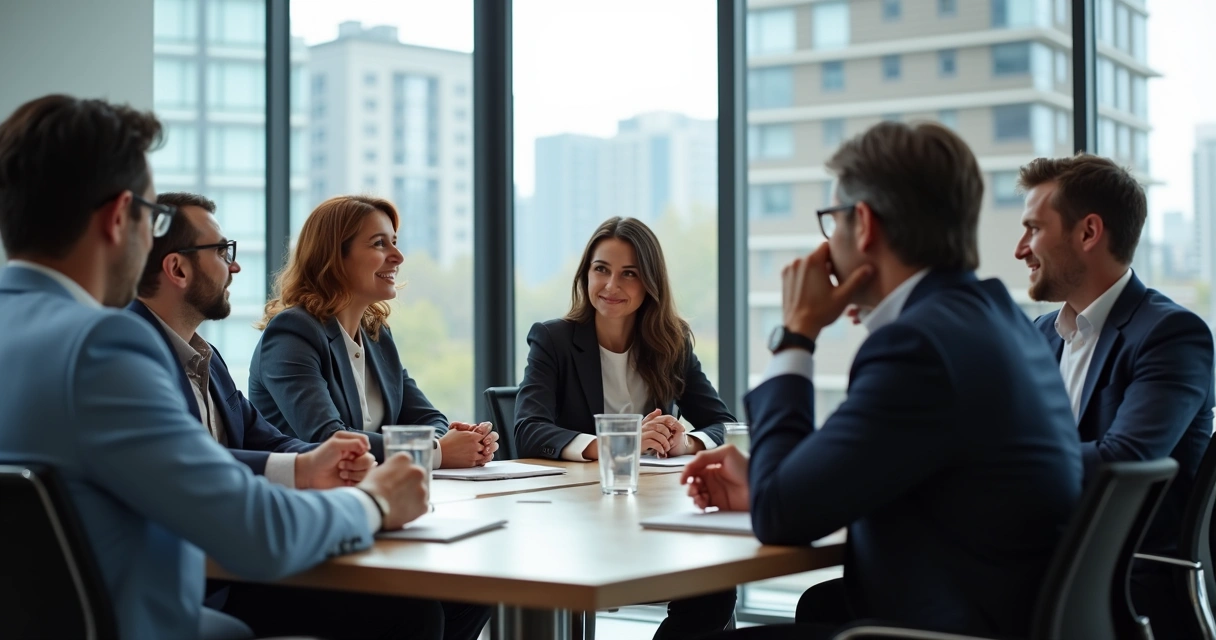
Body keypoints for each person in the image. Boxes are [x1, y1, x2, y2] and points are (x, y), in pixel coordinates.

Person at [0, 95, 432, 640]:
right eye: (151, 217)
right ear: (118, 218)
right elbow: (257, 533)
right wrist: (374, 501)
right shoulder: (103, 345)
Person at [685, 121, 1083, 640]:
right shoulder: (996, 317)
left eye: (833, 221)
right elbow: (877, 469)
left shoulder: (919, 348)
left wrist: (796, 335)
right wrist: (767, 477)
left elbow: (783, 516)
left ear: (864, 224)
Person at [1014, 154, 1215, 639]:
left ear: (1088, 233)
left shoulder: (1171, 334)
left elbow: (1124, 462)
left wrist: (998, 470)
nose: (1021, 249)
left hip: (1126, 593)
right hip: (1043, 570)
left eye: (1034, 229)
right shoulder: (1039, 335)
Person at [515, 216, 737, 639]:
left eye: (629, 274)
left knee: (715, 589)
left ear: (650, 282)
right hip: (569, 522)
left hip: (652, 515)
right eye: (601, 269)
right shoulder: (553, 339)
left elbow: (724, 424)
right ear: (586, 275)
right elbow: (529, 428)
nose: (611, 286)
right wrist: (617, 445)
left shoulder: (671, 342)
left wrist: (685, 441)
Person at [131, 192, 376, 488]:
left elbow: (262, 438)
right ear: (178, 269)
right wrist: (306, 469)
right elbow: (184, 461)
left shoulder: (207, 357)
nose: (234, 267)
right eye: (222, 252)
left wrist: (332, 460)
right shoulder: (130, 355)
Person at [248, 195, 498, 472]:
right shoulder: (291, 333)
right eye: (379, 243)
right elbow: (327, 438)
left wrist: (455, 444)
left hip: (369, 492)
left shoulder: (376, 334)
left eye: (395, 242)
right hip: (304, 502)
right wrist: (435, 452)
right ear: (333, 256)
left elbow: (428, 418)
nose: (398, 256)